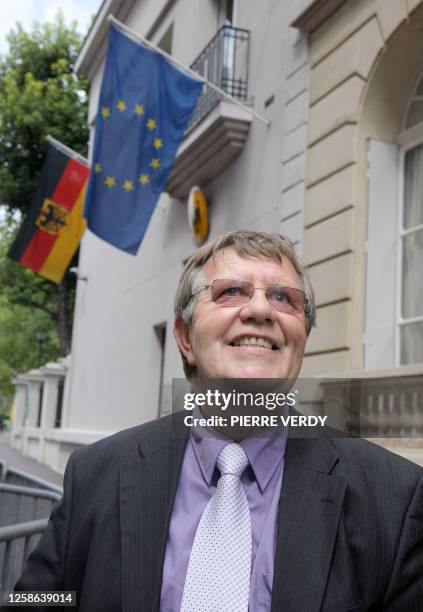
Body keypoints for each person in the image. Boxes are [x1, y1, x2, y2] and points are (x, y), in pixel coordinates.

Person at [15, 231, 423, 611]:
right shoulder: (94, 474)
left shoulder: (394, 499)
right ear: (185, 337)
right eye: (231, 292)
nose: (261, 309)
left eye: (284, 298)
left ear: (302, 337)